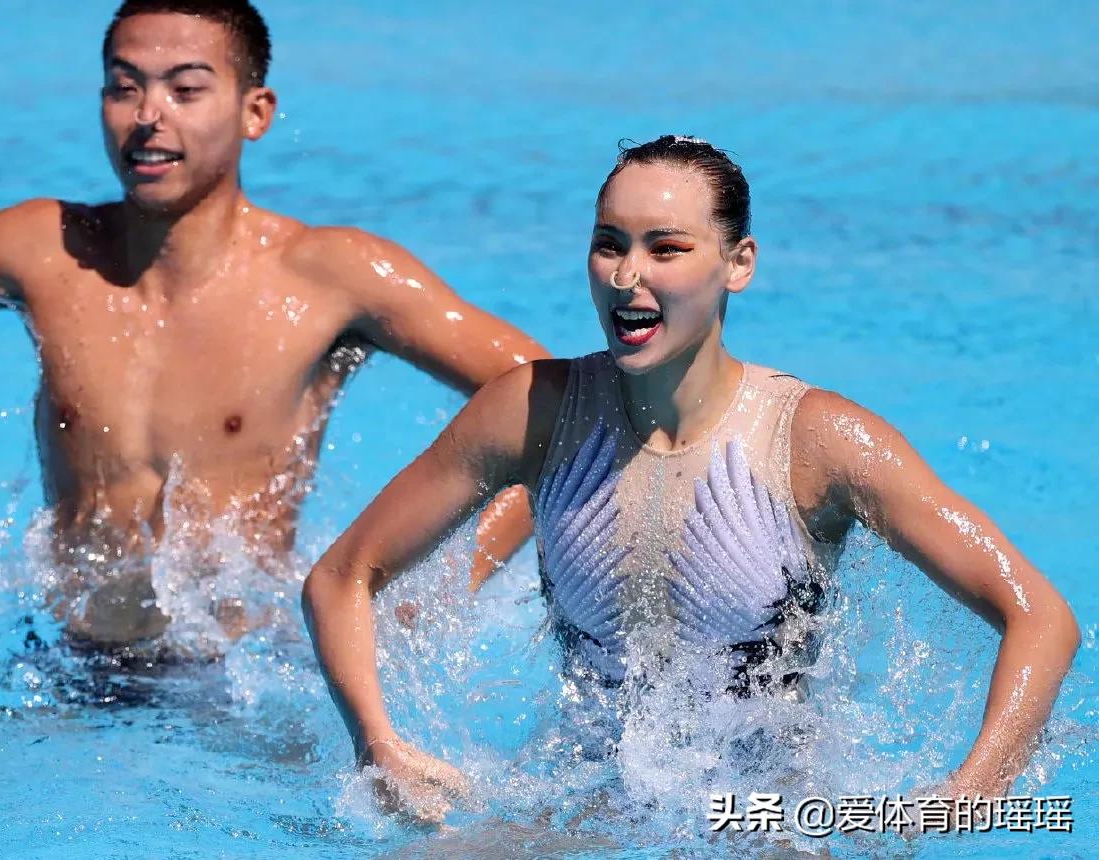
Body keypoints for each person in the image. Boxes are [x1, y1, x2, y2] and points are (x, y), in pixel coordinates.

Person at [302, 135, 1080, 824]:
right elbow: (341, 575)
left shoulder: (813, 440)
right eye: (609, 244)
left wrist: (977, 785)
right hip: (585, 793)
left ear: (737, 264)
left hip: (763, 815)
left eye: (665, 249)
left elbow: (1038, 615)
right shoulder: (533, 412)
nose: (625, 276)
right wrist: (379, 743)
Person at [0, 0, 545, 644]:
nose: (147, 117)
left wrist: (443, 582)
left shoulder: (328, 277)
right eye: (123, 88)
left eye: (185, 89)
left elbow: (554, 403)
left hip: (236, 678)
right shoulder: (46, 251)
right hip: (62, 657)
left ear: (254, 112)